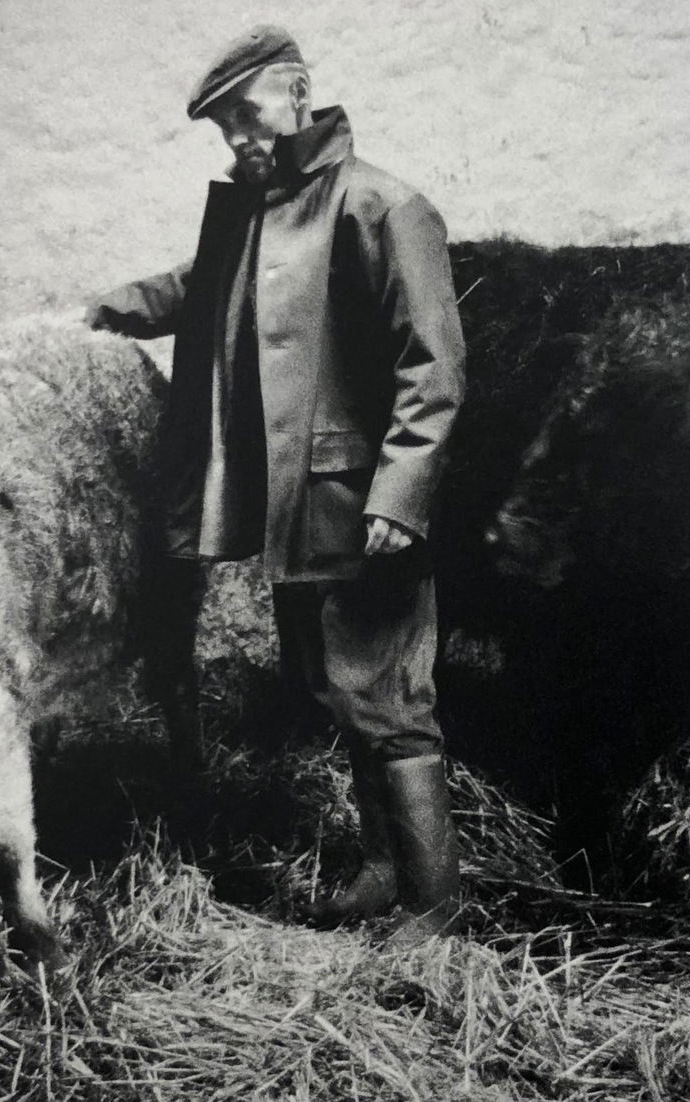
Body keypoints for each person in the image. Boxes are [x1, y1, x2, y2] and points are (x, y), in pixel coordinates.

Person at [89, 25, 466, 939]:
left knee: (390, 699)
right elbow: (203, 285)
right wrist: (103, 312)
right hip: (292, 510)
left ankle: (437, 905)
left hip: (361, 510)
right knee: (335, 687)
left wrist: (399, 498)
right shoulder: (262, 214)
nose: (237, 141)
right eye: (223, 129)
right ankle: (383, 866)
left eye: (244, 117)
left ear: (296, 93)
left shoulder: (383, 206)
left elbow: (435, 367)